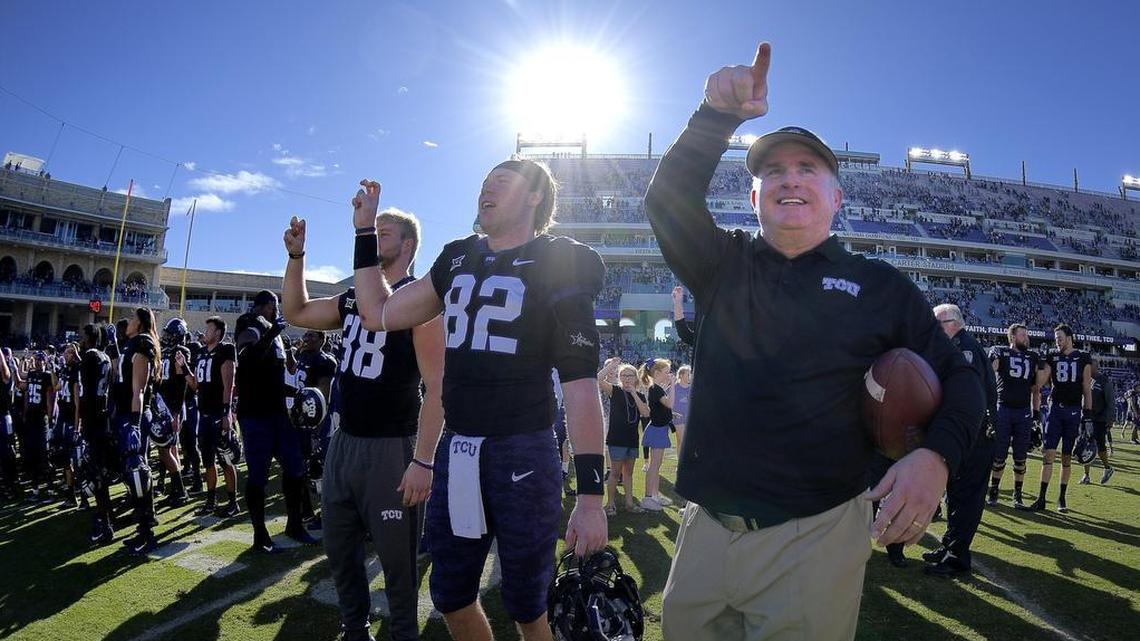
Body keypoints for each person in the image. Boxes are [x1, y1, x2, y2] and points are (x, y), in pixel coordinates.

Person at [644, 42, 983, 640]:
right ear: (753, 199)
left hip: (815, 532)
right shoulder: (722, 263)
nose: (788, 180)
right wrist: (714, 116)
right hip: (703, 527)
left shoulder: (878, 286)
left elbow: (960, 378)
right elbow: (664, 200)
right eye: (772, 171)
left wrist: (936, 458)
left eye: (807, 170)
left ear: (836, 198)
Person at [348, 161, 609, 641]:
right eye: (486, 181)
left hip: (523, 450)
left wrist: (591, 497)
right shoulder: (457, 256)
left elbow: (579, 385)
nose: (487, 188)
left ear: (535, 197)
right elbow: (378, 312)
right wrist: (365, 231)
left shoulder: (560, 260)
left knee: (529, 605)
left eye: (502, 181)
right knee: (450, 595)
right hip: (459, 448)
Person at [282, 206, 444, 641]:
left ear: (407, 246)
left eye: (382, 233)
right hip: (344, 441)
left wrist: (423, 461)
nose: (372, 238)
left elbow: (438, 388)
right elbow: (295, 311)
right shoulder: (353, 298)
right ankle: (355, 629)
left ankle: (404, 634)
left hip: (392, 447)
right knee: (339, 550)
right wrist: (296, 258)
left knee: (397, 564)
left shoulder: (420, 302)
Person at [235, 290, 316, 550]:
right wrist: (271, 333)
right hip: (255, 414)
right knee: (257, 474)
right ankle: (260, 534)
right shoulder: (248, 322)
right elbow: (247, 360)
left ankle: (295, 524)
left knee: (295, 468)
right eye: (276, 306)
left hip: (277, 412)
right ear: (270, 306)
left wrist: (296, 393)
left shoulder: (276, 334)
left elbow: (272, 380)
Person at [923, 304, 996, 578]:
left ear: (953, 323)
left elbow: (966, 397)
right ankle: (949, 547)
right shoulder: (960, 346)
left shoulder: (964, 349)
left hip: (976, 436)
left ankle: (957, 557)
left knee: (966, 497)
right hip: (969, 434)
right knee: (955, 495)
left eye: (937, 324)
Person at [1026, 324, 1092, 513]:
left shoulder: (1083, 357)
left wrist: (1087, 416)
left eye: (1060, 337)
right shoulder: (1053, 357)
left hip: (1073, 412)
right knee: (1048, 454)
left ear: (1069, 337)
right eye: (1055, 338)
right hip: (1055, 410)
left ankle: (1062, 498)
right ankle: (1041, 498)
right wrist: (1040, 361)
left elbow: (1086, 389)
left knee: (1066, 457)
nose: (1057, 341)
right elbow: (1039, 383)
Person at [114, 307, 163, 555]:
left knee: (137, 470)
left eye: (133, 319)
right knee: (133, 471)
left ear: (142, 323)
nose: (128, 322)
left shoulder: (142, 343)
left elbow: (139, 390)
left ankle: (147, 533)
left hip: (133, 416)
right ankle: (145, 523)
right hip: (126, 414)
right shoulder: (130, 343)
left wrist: (133, 422)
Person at [184, 317, 240, 519]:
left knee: (225, 459)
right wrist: (183, 368)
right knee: (207, 460)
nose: (204, 332)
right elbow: (195, 386)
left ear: (217, 332)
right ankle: (211, 501)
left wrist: (226, 413)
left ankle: (233, 503)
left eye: (208, 329)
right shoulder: (200, 352)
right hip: (203, 414)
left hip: (218, 413)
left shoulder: (225, 350)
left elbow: (229, 384)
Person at [987, 323, 1043, 508]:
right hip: (1003, 409)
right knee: (999, 455)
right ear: (1012, 337)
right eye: (1022, 335)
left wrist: (1036, 414)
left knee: (1021, 457)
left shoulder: (1033, 357)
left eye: (1026, 335)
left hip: (1023, 412)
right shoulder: (1000, 352)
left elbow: (1036, 389)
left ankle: (1017, 495)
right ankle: (994, 490)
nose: (1026, 338)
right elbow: (989, 373)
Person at [76, 324, 114, 544]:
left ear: (89, 337)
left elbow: (85, 393)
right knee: (102, 475)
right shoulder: (106, 357)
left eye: (82, 336)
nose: (80, 339)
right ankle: (105, 520)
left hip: (93, 421)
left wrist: (81, 422)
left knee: (95, 476)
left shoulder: (89, 357)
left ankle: (105, 524)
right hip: (104, 420)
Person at [597, 357, 649, 515]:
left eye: (630, 376)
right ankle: (610, 505)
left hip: (632, 440)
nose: (626, 378)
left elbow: (645, 413)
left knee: (629, 473)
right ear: (620, 377)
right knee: (614, 472)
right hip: (617, 439)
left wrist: (633, 393)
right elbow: (598, 379)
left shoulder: (639, 395)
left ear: (636, 378)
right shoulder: (615, 391)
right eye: (624, 375)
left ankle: (629, 504)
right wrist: (612, 365)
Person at [157, 318, 192, 507]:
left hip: (173, 407)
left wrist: (176, 414)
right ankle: (176, 490)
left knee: (166, 451)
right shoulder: (165, 352)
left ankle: (180, 491)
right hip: (164, 406)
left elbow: (181, 387)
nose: (166, 337)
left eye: (170, 334)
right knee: (170, 450)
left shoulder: (181, 352)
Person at [639, 358, 674, 512]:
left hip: (659, 429)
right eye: (666, 372)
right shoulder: (656, 388)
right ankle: (648, 498)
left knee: (656, 466)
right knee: (654, 466)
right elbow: (669, 403)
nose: (669, 374)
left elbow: (663, 409)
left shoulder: (657, 388)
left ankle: (655, 495)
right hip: (657, 431)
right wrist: (673, 386)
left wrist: (674, 415)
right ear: (657, 372)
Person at [1080, 359, 1115, 485]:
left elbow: (1111, 402)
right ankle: (1086, 475)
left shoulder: (1104, 381)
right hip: (1085, 417)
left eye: (1090, 366)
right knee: (1084, 446)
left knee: (1100, 447)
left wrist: (1110, 419)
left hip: (1099, 419)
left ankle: (1107, 468)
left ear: (1096, 367)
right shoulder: (1084, 379)